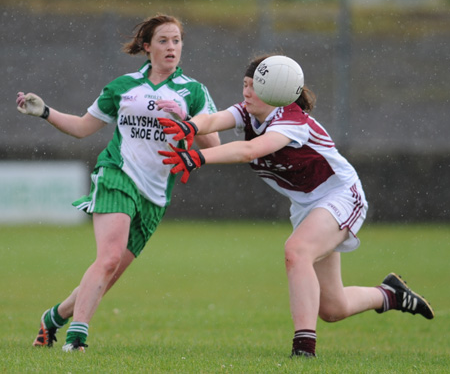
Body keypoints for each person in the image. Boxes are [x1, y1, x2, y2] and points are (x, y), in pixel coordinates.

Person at [157, 54, 435, 358]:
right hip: (308, 207)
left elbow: (251, 149)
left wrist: (199, 157)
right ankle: (390, 295)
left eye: (254, 86)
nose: (246, 92)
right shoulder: (247, 112)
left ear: (275, 90)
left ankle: (304, 349)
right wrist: (189, 127)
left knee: (296, 250)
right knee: (333, 308)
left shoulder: (291, 120)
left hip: (341, 194)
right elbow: (211, 119)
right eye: (245, 84)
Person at [16, 14, 220, 352]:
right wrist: (45, 112)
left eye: (177, 41)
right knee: (108, 258)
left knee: (108, 274)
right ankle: (76, 340)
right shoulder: (123, 87)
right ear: (147, 46)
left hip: (155, 195)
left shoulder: (194, 92)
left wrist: (186, 122)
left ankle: (52, 318)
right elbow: (83, 128)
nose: (172, 47)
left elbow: (214, 148)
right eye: (164, 41)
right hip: (117, 175)